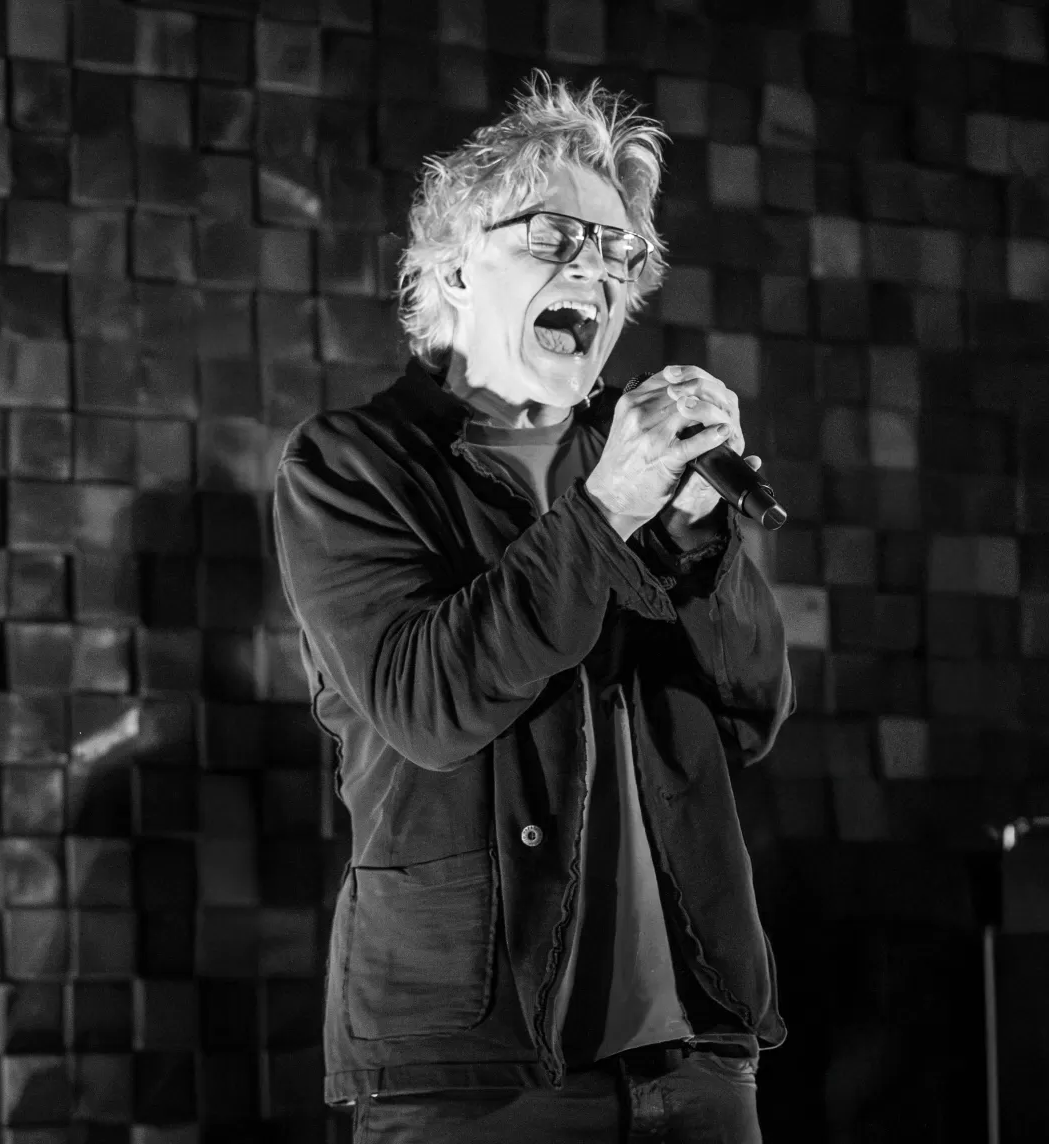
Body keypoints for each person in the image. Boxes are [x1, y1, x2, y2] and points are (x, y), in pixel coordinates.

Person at [271, 72, 795, 1143]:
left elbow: (751, 711)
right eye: (556, 237)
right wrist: (607, 511)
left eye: (618, 253)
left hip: (695, 1059)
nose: (594, 270)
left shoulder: (638, 462)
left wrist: (699, 543)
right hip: (475, 1070)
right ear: (457, 264)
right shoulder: (351, 465)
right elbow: (429, 702)